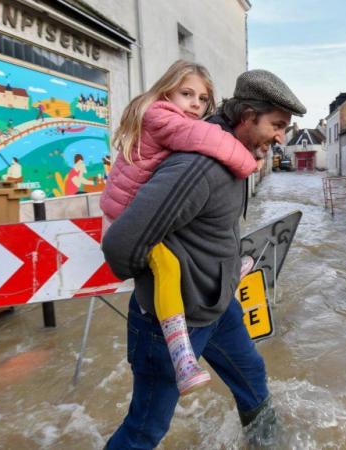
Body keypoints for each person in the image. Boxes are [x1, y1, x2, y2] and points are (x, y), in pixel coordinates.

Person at [102, 69, 306, 448]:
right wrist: (167, 282)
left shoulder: (233, 154)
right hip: (172, 321)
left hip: (219, 306)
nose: (281, 138)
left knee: (252, 378)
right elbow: (121, 245)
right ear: (246, 116)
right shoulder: (201, 167)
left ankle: (268, 443)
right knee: (145, 429)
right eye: (277, 125)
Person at [100, 60, 258, 396]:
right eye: (186, 94)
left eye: (202, 100)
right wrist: (247, 163)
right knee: (168, 267)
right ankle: (181, 356)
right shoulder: (161, 117)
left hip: (132, 208)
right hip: (123, 215)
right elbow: (207, 138)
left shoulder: (166, 121)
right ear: (166, 91)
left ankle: (228, 272)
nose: (195, 105)